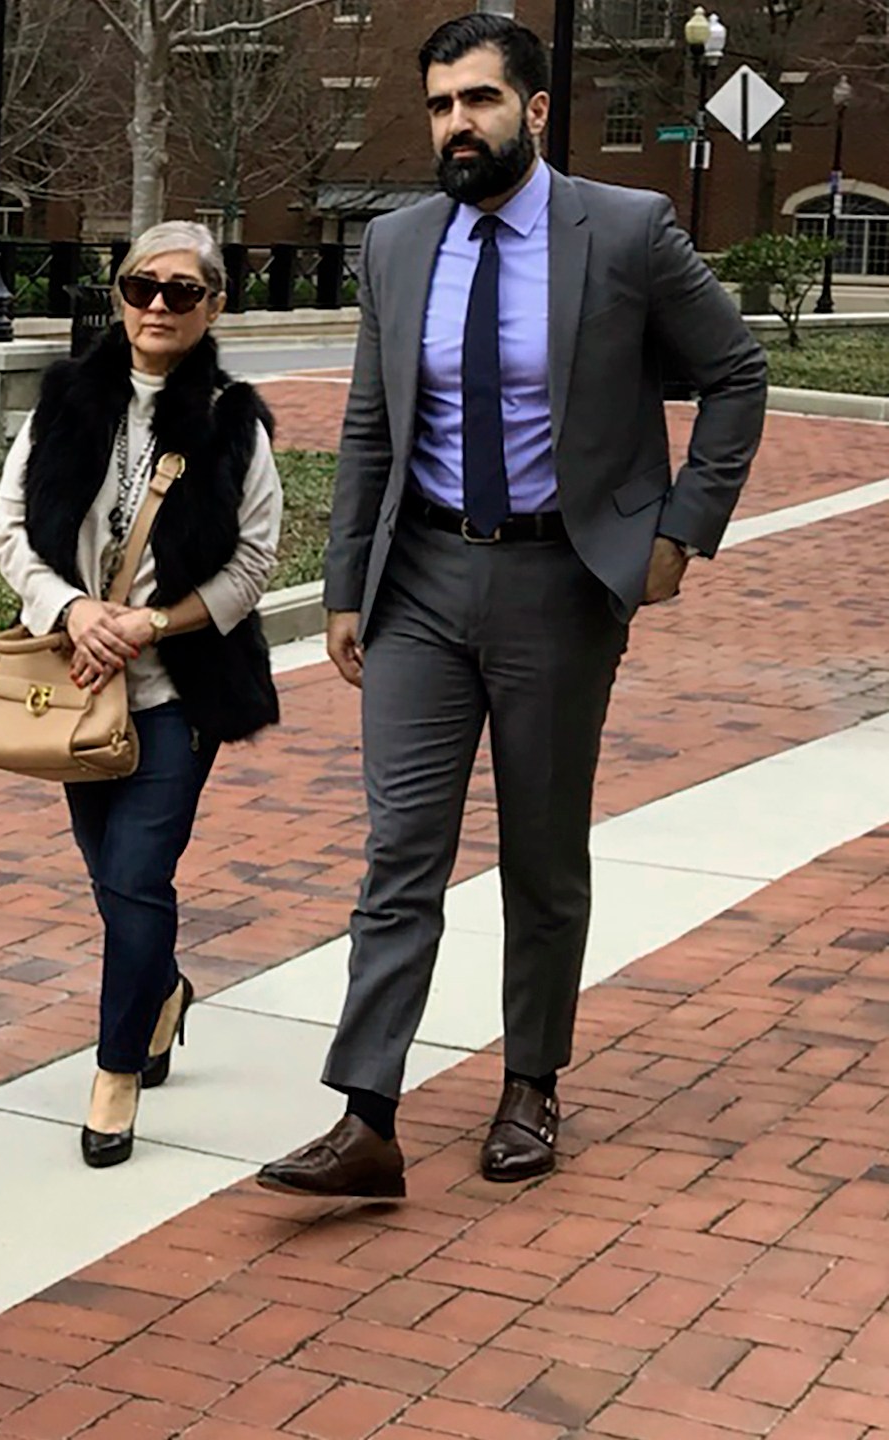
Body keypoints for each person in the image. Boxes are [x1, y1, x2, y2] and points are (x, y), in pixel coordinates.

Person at [258, 14, 766, 1201]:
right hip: (421, 582)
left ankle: (530, 1083)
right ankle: (366, 1115)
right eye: (439, 106)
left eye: (478, 102)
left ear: (533, 111)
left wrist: (678, 533)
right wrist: (345, 588)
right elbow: (373, 431)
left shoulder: (625, 231)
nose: (456, 126)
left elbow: (734, 375)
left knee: (540, 852)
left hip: (558, 582)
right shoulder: (395, 245)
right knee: (399, 855)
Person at [0, 223, 283, 1169]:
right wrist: (73, 613)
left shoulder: (234, 420)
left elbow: (254, 561)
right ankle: (160, 996)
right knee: (111, 882)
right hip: (77, 690)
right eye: (141, 285)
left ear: (214, 306)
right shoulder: (67, 400)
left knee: (136, 879)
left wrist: (151, 626)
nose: (158, 304)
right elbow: (9, 534)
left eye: (183, 291)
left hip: (175, 693)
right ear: (117, 295)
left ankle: (115, 1073)